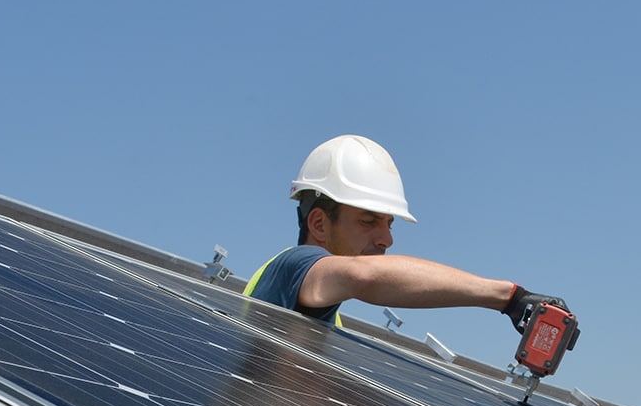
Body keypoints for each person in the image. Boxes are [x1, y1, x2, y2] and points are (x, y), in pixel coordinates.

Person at [244, 134, 572, 341]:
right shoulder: (292, 266)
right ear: (318, 223)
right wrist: (509, 297)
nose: (387, 238)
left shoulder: (329, 319)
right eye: (368, 220)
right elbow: (363, 275)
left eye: (390, 224)